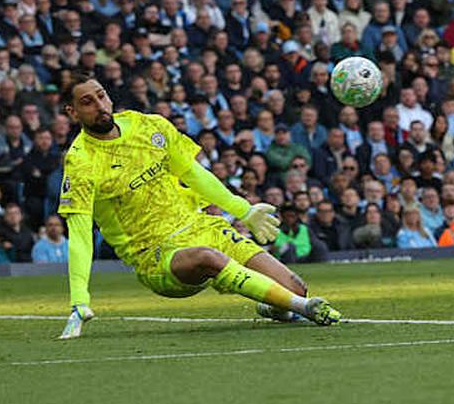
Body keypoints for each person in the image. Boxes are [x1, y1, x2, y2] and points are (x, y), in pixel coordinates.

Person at [56, 74, 340, 339]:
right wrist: (79, 299)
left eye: (101, 96)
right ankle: (304, 307)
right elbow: (80, 234)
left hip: (201, 228)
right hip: (156, 254)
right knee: (208, 257)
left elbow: (194, 174)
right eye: (87, 102)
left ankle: (279, 305)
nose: (100, 106)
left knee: (294, 287)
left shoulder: (147, 126)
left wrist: (244, 210)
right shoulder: (80, 162)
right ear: (73, 113)